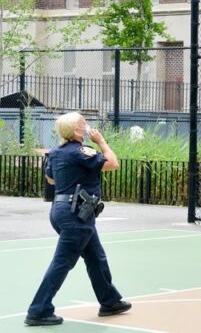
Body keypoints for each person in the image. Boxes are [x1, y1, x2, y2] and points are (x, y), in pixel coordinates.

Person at [25, 112, 131, 326]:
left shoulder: (56, 152)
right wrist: (101, 141)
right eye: (84, 124)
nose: (87, 126)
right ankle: (38, 310)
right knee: (63, 262)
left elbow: (51, 178)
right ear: (75, 130)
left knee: (95, 256)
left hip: (62, 210)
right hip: (77, 215)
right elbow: (113, 163)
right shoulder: (83, 151)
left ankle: (109, 301)